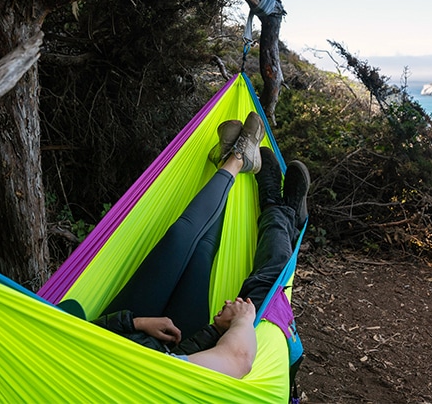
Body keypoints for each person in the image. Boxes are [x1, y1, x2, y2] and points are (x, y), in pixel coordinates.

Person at [89, 111, 310, 379]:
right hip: (179, 354)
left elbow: (76, 333)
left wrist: (137, 322)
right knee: (255, 283)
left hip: (118, 338)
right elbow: (239, 360)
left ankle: (234, 161)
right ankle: (277, 207)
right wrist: (232, 324)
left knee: (180, 238)